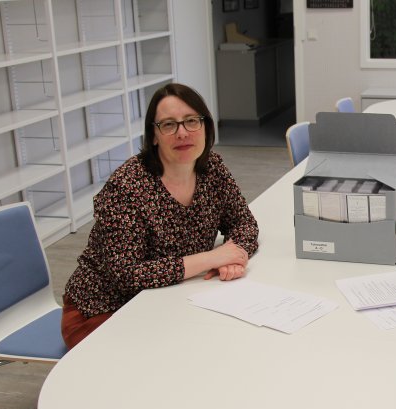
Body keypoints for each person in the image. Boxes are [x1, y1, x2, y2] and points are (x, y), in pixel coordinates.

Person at [60, 83, 259, 349]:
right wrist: (211, 258)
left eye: (191, 121)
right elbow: (127, 274)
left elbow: (243, 223)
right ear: (153, 135)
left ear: (205, 127)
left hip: (172, 297)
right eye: (168, 125)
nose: (182, 133)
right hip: (104, 309)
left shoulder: (212, 168)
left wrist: (234, 258)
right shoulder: (128, 186)